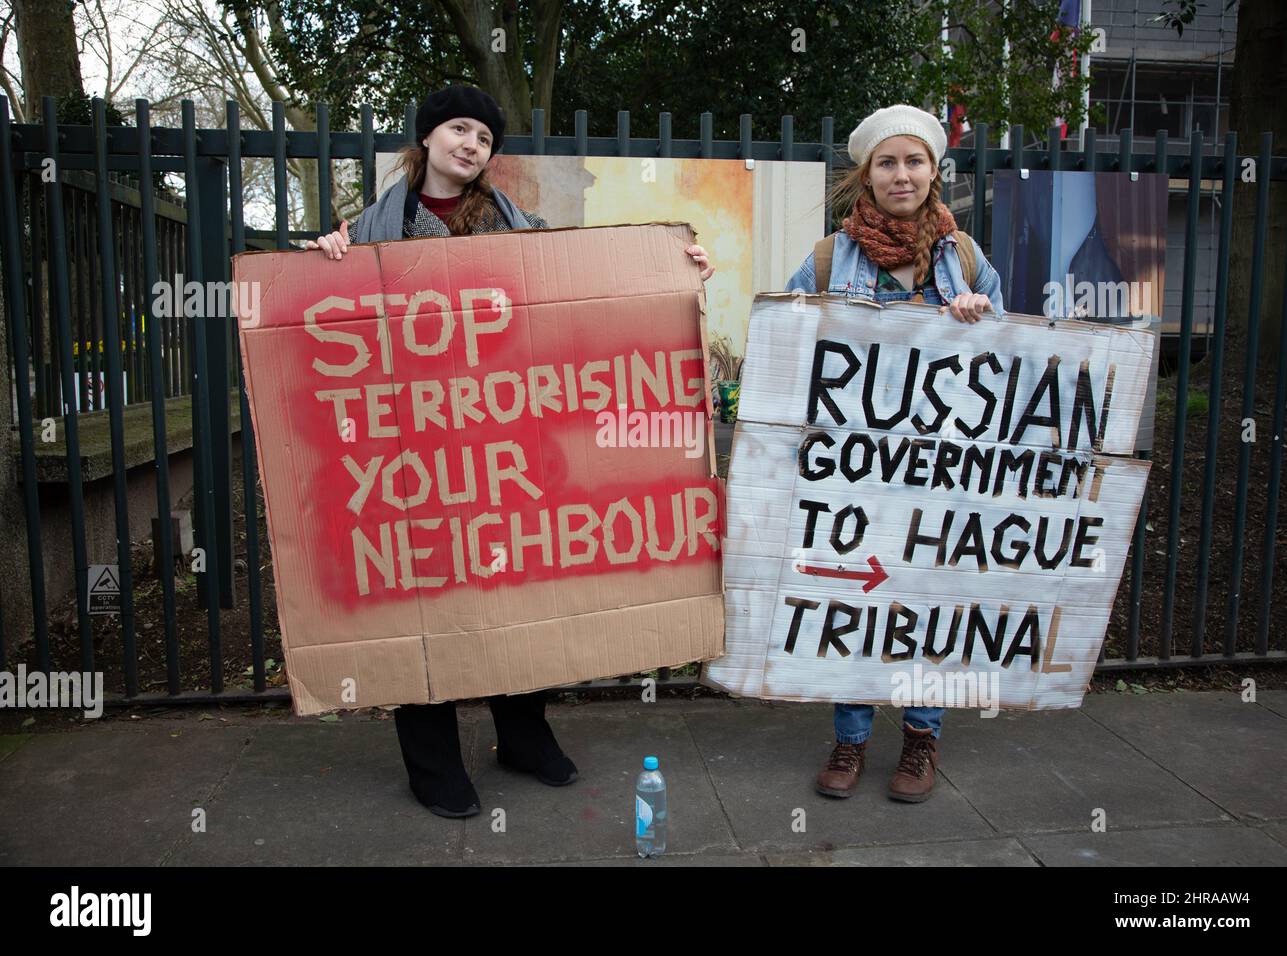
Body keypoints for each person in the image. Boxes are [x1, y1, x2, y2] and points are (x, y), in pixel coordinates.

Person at [305, 84, 714, 818]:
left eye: (485, 138)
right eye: (458, 129)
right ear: (426, 138)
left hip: (504, 450)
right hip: (414, 454)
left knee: (517, 584)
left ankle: (523, 738)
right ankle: (431, 763)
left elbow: (586, 288)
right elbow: (319, 317)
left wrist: (673, 266)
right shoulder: (368, 230)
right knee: (418, 596)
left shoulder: (522, 228)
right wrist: (325, 257)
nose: (471, 144)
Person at [783, 104, 1004, 804]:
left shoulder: (966, 259)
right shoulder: (828, 258)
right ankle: (850, 738)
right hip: (854, 471)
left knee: (928, 603)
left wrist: (979, 319)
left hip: (939, 471)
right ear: (866, 176)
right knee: (856, 596)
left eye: (914, 161)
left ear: (934, 171)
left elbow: (1016, 363)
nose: (901, 174)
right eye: (887, 162)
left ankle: (920, 736)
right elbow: (785, 335)